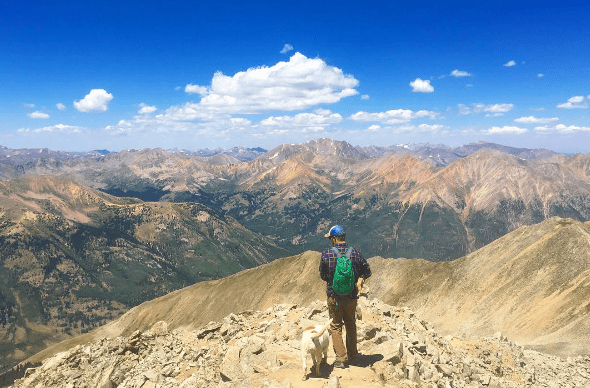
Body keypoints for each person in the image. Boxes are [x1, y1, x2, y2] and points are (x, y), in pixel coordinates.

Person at [319, 224, 371, 368]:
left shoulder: (326, 254)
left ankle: (340, 359)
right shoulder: (355, 253)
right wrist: (358, 280)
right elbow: (367, 271)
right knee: (350, 324)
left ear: (334, 238)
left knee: (336, 326)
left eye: (331, 238)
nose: (330, 240)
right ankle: (353, 355)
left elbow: (323, 275)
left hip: (333, 296)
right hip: (351, 296)